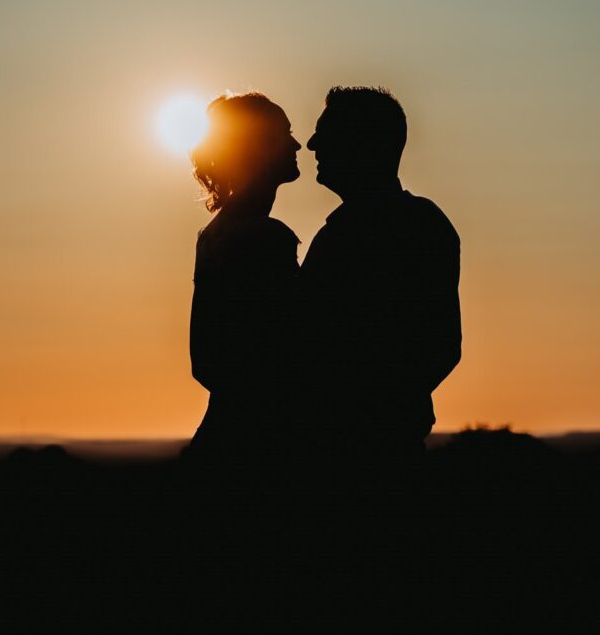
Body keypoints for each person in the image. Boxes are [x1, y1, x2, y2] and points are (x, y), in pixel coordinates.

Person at [299, 85, 461, 485]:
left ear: (362, 143)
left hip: (362, 462)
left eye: (326, 132)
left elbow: (438, 345)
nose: (312, 143)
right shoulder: (416, 224)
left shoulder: (409, 228)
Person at [184, 92, 302, 485]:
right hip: (257, 448)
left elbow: (204, 363)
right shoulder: (264, 237)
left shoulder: (214, 234)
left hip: (225, 434)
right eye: (284, 134)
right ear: (260, 147)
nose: (296, 144)